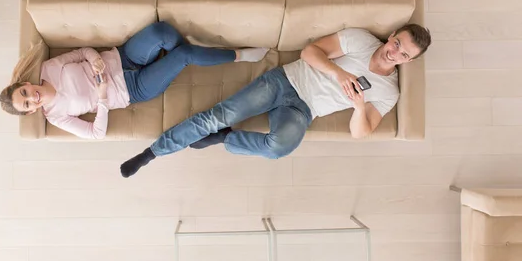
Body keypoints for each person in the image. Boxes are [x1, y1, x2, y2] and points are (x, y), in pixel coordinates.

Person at [120, 24, 432, 177]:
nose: (394, 52)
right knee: (217, 115)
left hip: (303, 109)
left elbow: (361, 132)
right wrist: (339, 74)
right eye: (397, 43)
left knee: (279, 148)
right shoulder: (362, 40)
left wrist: (359, 105)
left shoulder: (388, 91)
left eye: (404, 54)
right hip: (283, 81)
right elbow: (310, 52)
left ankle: (226, 139)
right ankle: (153, 152)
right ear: (392, 35)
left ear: (408, 61)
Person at [0, 21, 269, 139]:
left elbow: (81, 52)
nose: (30, 97)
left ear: (24, 84)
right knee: (185, 54)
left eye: (23, 93)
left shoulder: (48, 68)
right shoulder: (56, 116)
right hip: (133, 89)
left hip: (123, 58)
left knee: (162, 31)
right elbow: (96, 133)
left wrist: (93, 58)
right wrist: (103, 96)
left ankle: (190, 51)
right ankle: (240, 55)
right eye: (26, 104)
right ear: (31, 111)